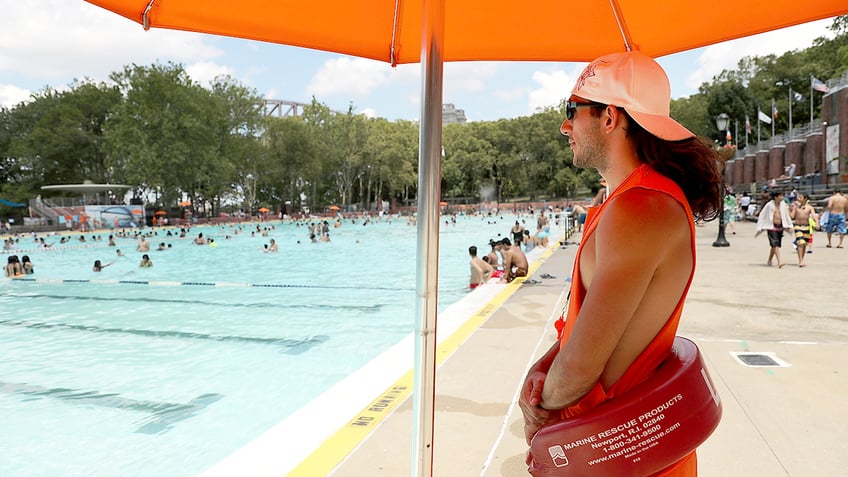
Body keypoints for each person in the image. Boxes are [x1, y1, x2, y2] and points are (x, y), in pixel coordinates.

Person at [519, 51, 723, 476]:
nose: (565, 125)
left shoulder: (640, 208)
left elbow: (579, 369)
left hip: (620, 453)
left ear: (610, 117)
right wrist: (541, 370)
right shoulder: (630, 201)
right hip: (616, 450)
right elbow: (600, 325)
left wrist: (537, 411)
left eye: (572, 110)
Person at [755, 190, 793, 268]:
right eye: (780, 196)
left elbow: (786, 216)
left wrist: (789, 225)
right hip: (771, 226)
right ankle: (780, 261)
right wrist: (761, 226)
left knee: (775, 245)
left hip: (780, 226)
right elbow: (763, 215)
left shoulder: (784, 205)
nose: (782, 197)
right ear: (775, 197)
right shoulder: (769, 205)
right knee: (775, 243)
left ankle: (769, 259)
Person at [789, 193, 816, 267]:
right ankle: (800, 261)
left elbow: (813, 215)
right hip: (798, 226)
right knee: (800, 243)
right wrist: (789, 209)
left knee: (804, 244)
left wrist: (817, 222)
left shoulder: (809, 207)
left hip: (806, 226)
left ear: (805, 198)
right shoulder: (796, 207)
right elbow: (792, 216)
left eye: (800, 197)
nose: (798, 198)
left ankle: (802, 260)